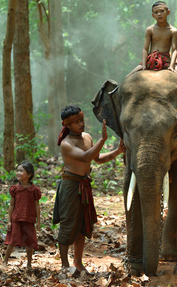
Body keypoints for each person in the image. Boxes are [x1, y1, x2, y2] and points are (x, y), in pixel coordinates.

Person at [53, 105, 125, 274]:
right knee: (68, 224)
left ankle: (78, 262)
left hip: (84, 185)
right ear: (67, 124)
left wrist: (118, 151)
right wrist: (103, 140)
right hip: (71, 186)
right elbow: (86, 157)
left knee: (83, 225)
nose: (81, 124)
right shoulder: (66, 143)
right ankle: (64, 265)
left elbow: (97, 159)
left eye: (81, 120)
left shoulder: (87, 137)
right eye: (76, 122)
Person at [127, 1, 177, 80]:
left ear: (168, 12)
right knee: (127, 78)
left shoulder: (173, 31)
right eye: (156, 12)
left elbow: (174, 50)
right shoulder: (150, 30)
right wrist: (143, 64)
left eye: (162, 11)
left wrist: (171, 65)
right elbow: (145, 49)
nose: (159, 14)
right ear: (153, 15)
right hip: (151, 60)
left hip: (166, 60)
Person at [0, 161, 41, 272]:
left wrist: (38, 221)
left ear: (29, 174)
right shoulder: (15, 189)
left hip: (29, 219)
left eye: (21, 171)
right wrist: (9, 221)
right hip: (16, 219)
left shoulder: (34, 190)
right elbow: (12, 205)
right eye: (17, 170)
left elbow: (37, 205)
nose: (18, 173)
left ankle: (29, 265)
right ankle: (5, 262)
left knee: (29, 243)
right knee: (12, 241)